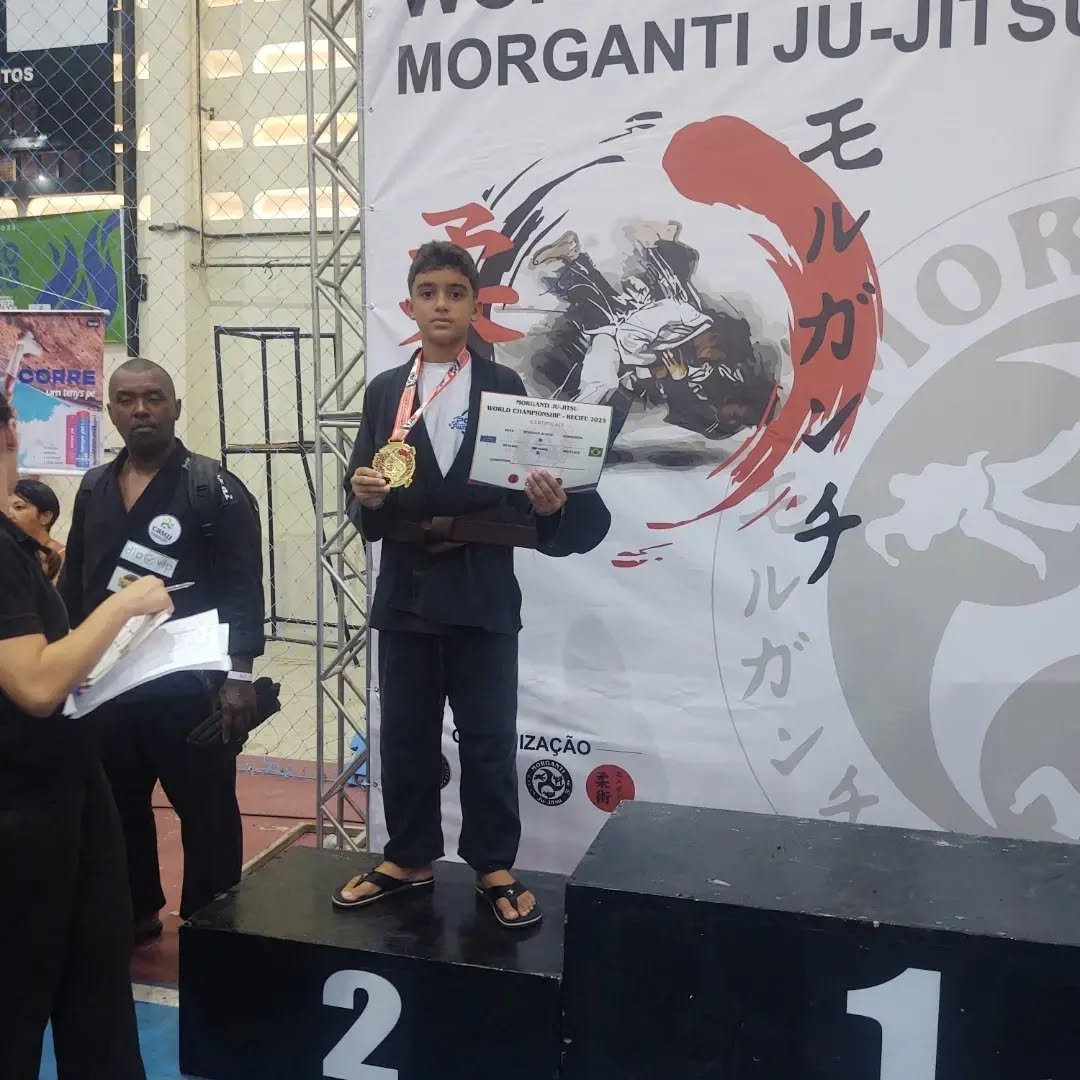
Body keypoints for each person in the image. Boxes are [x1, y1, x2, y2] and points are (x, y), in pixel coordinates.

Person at [332, 241, 611, 929]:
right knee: (405, 735)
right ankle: (407, 856)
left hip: (482, 588)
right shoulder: (384, 391)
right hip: (407, 590)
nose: (442, 305)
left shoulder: (504, 387)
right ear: (410, 305)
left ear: (475, 306)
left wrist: (551, 505)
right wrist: (365, 495)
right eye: (428, 293)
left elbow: (533, 492)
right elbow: (365, 501)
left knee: (487, 736)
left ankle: (492, 863)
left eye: (456, 293)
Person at [60, 357, 266, 942]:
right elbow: (77, 581)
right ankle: (134, 911)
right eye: (127, 400)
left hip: (189, 686)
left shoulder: (212, 487)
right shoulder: (94, 487)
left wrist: (240, 676)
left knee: (207, 811)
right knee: (116, 806)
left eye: (153, 398)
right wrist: (65, 662)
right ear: (110, 412)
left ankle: (212, 924)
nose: (141, 410)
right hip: (109, 681)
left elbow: (243, 584)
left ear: (175, 407)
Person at [0, 387, 174, 1079]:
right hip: (24, 806)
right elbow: (36, 684)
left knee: (95, 986)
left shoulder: (17, 545)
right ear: (12, 435)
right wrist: (121, 608)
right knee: (20, 994)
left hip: (66, 789)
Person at [9, 477, 66, 581]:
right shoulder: (9, 552)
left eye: (19, 507)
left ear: (45, 517)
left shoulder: (66, 560)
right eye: (5, 507)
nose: (9, 515)